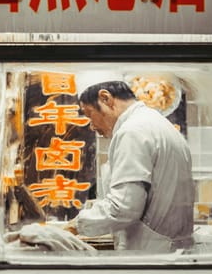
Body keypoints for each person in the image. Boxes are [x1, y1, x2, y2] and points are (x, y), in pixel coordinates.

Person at [66, 80, 194, 253]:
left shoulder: (132, 131)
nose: (91, 125)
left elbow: (124, 208)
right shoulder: (156, 123)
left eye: (89, 114)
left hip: (153, 256)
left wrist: (75, 225)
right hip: (170, 251)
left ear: (106, 98)